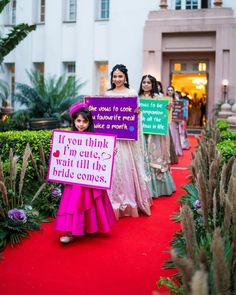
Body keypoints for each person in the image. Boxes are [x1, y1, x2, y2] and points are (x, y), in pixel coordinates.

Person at [55, 102, 116, 243]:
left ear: (89, 122)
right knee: (74, 201)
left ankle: (87, 227)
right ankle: (70, 231)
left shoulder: (96, 139)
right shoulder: (68, 138)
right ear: (74, 121)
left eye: (84, 121)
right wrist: (56, 149)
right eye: (78, 121)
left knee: (89, 200)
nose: (81, 124)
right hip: (74, 180)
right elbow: (62, 156)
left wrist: (110, 153)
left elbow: (101, 158)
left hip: (90, 180)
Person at [104, 64, 152, 218]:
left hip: (126, 139)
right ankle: (111, 201)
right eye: (115, 76)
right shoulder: (107, 94)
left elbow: (137, 115)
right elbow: (103, 115)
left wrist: (137, 113)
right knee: (113, 169)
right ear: (112, 78)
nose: (117, 79)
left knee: (125, 167)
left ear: (125, 77)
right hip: (112, 139)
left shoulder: (131, 93)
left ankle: (130, 201)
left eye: (120, 76)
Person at [138, 75, 176, 197]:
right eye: (144, 82)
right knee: (143, 158)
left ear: (153, 84)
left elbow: (165, 115)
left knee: (154, 157)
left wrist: (168, 108)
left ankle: (158, 189)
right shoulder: (137, 98)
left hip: (154, 134)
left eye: (148, 82)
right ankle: (144, 189)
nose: (146, 85)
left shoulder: (159, 97)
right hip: (141, 133)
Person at [166, 85, 183, 158]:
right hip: (167, 119)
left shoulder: (176, 99)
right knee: (168, 136)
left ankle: (175, 150)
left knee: (174, 135)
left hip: (174, 120)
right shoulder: (165, 99)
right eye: (168, 90)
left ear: (173, 91)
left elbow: (179, 109)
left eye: (171, 90)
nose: (170, 91)